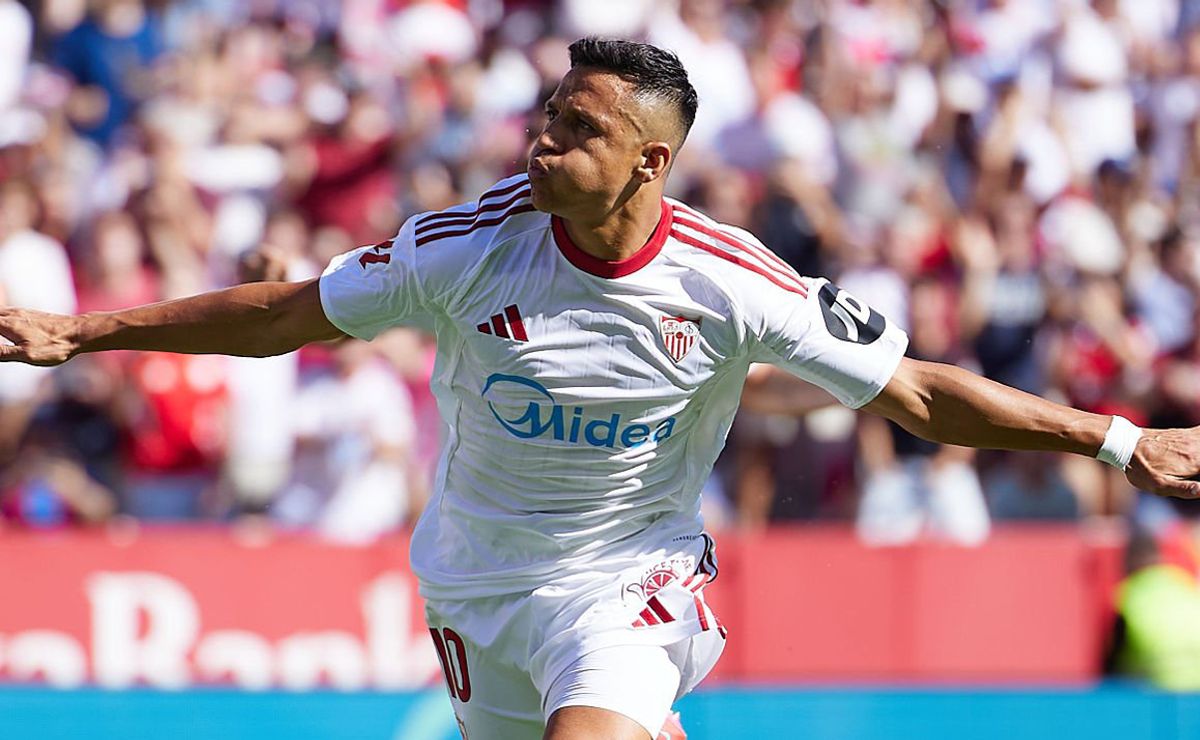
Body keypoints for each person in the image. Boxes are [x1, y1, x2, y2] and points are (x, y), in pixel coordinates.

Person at [1, 38, 1199, 740]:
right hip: (474, 575)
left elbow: (918, 393)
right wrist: (80, 330)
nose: (539, 145)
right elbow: (287, 311)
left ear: (649, 160)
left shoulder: (734, 281)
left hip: (626, 580)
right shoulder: (469, 246)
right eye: (544, 120)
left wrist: (1116, 441)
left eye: (574, 130)